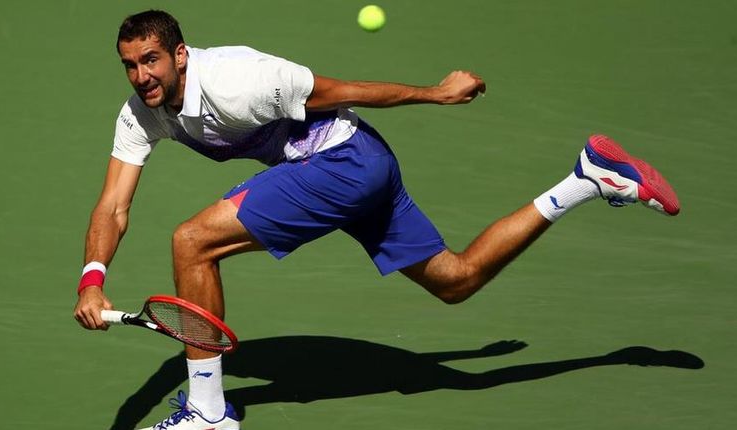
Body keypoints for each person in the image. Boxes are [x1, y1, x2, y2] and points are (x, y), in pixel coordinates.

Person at [73, 9, 680, 430]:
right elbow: (112, 205)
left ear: (179, 53)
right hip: (355, 167)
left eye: (151, 60)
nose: (141, 75)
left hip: (344, 163)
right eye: (130, 64)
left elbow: (345, 89)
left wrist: (436, 94)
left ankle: (209, 411)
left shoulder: (241, 78)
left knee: (192, 242)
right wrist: (93, 277)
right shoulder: (143, 112)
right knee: (457, 280)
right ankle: (585, 179)